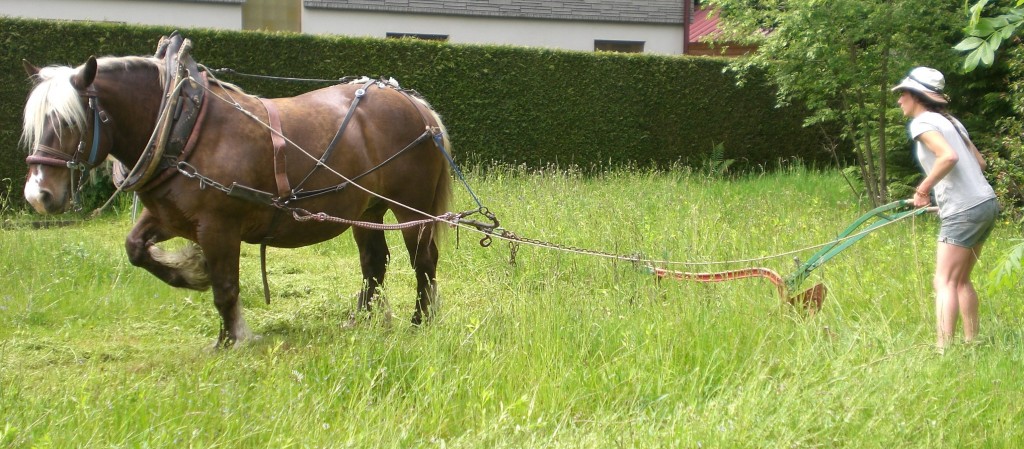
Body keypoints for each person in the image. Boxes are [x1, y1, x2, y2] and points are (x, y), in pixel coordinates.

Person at [892, 67, 999, 350]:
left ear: (916, 96)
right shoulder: (950, 122)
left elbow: (948, 157)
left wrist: (922, 189)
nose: (899, 100)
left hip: (965, 210)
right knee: (961, 279)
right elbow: (979, 164)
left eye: (903, 93)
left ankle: (943, 350)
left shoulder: (922, 123)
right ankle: (971, 343)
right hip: (986, 203)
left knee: (944, 281)